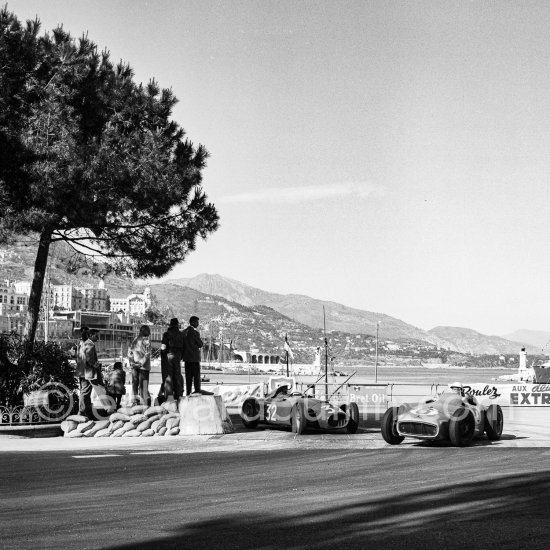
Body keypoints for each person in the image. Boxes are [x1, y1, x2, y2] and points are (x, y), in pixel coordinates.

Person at [76, 326, 100, 419]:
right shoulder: (89, 344)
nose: (98, 338)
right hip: (88, 371)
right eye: (97, 335)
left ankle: (85, 410)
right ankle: (82, 411)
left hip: (81, 370)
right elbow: (89, 358)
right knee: (86, 391)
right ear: (92, 335)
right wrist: (95, 365)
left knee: (84, 391)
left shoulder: (81, 343)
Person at [160, 318, 185, 402]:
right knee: (177, 375)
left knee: (168, 376)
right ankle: (179, 395)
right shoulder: (181, 335)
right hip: (177, 356)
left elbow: (163, 346)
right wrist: (180, 356)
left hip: (169, 355)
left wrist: (163, 356)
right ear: (177, 324)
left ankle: (169, 397)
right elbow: (184, 348)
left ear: (170, 324)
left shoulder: (166, 334)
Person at [128, 325, 151, 406]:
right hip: (143, 367)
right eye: (148, 330)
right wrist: (140, 363)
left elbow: (130, 353)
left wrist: (132, 363)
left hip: (135, 366)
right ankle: (144, 405)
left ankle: (135, 403)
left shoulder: (134, 340)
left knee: (135, 385)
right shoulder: (146, 340)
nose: (150, 332)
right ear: (143, 330)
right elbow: (147, 354)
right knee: (143, 387)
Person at [182, 316, 203, 395]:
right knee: (196, 378)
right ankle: (197, 392)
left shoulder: (183, 332)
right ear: (193, 322)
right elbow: (200, 344)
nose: (198, 324)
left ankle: (188, 393)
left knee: (188, 378)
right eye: (197, 322)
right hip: (194, 358)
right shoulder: (195, 333)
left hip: (186, 358)